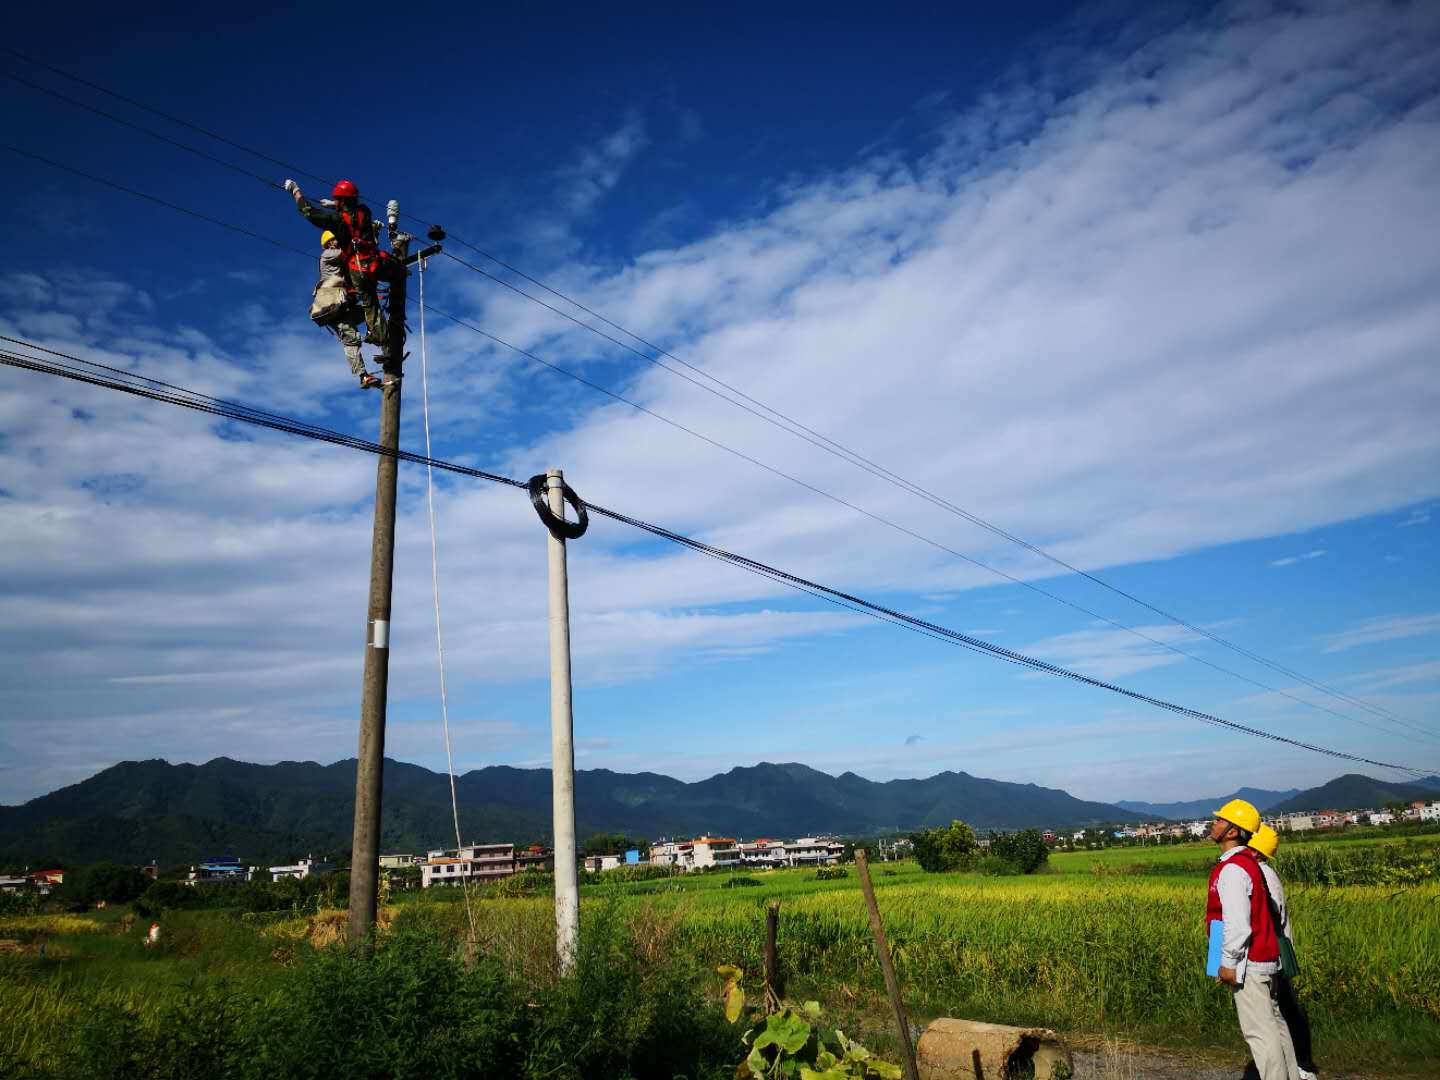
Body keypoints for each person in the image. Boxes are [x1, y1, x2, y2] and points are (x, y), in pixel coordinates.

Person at [1208, 799, 1300, 1080]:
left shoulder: (1233, 870)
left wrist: (1227, 963)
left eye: (1220, 820)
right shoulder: (1249, 864)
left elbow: (1237, 924)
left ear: (1233, 831)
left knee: (1260, 1033)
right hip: (1262, 959)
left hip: (1248, 964)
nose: (1214, 823)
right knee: (1275, 1025)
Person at [284, 178, 409, 361]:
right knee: (400, 272)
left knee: (371, 306)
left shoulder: (336, 220)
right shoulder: (365, 211)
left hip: (357, 270)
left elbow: (308, 211)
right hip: (375, 262)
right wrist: (334, 205)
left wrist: (295, 191)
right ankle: (397, 317)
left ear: (341, 200)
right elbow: (353, 215)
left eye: (336, 199)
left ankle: (385, 346)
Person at [1242, 825, 1318, 1080]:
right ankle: (1295, 1065)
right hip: (1268, 951)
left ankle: (1301, 1066)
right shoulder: (1259, 872)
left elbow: (1274, 915)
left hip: (1270, 952)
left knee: (1283, 1010)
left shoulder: (1262, 874)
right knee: (1280, 1008)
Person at [311, 230, 382, 390]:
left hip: (341, 307)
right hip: (333, 307)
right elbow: (350, 252)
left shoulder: (339, 264)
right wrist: (365, 237)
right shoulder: (328, 254)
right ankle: (363, 376)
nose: (340, 241)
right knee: (351, 339)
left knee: (369, 309)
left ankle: (372, 333)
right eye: (337, 239)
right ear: (330, 242)